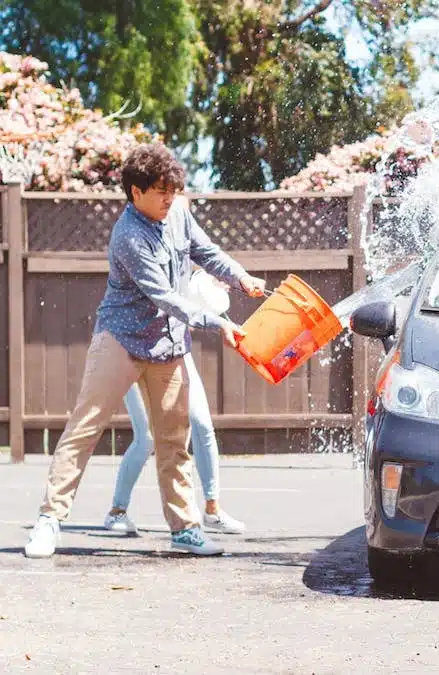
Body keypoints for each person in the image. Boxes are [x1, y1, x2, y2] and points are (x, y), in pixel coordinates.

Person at [23, 143, 265, 559]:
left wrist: (242, 277)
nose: (169, 197)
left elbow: (204, 251)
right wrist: (218, 323)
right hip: (120, 338)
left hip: (167, 344)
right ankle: (49, 521)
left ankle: (185, 529)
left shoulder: (179, 212)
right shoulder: (128, 236)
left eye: (173, 188)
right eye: (160, 190)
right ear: (136, 193)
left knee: (174, 439)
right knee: (84, 428)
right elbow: (166, 296)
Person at [103, 271, 245, 536]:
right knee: (145, 438)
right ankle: (116, 512)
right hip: (133, 348)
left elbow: (207, 277)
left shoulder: (189, 256)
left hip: (174, 352)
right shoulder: (146, 258)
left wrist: (228, 280)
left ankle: (212, 510)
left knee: (202, 425)